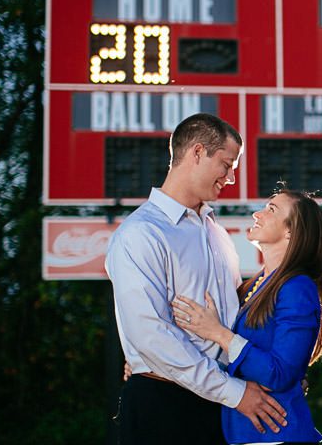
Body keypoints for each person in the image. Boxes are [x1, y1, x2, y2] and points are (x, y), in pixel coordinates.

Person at [106, 113, 287, 445]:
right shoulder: (140, 233)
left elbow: (236, 320)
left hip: (222, 404)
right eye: (226, 165)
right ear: (198, 152)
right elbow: (151, 338)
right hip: (165, 406)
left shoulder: (216, 234)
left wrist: (284, 368)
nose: (231, 178)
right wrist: (234, 393)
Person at [171, 184, 322, 444]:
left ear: (291, 231)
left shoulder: (297, 287)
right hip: (246, 433)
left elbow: (279, 374)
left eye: (271, 209)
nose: (257, 214)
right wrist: (149, 361)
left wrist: (219, 334)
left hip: (277, 434)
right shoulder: (253, 286)